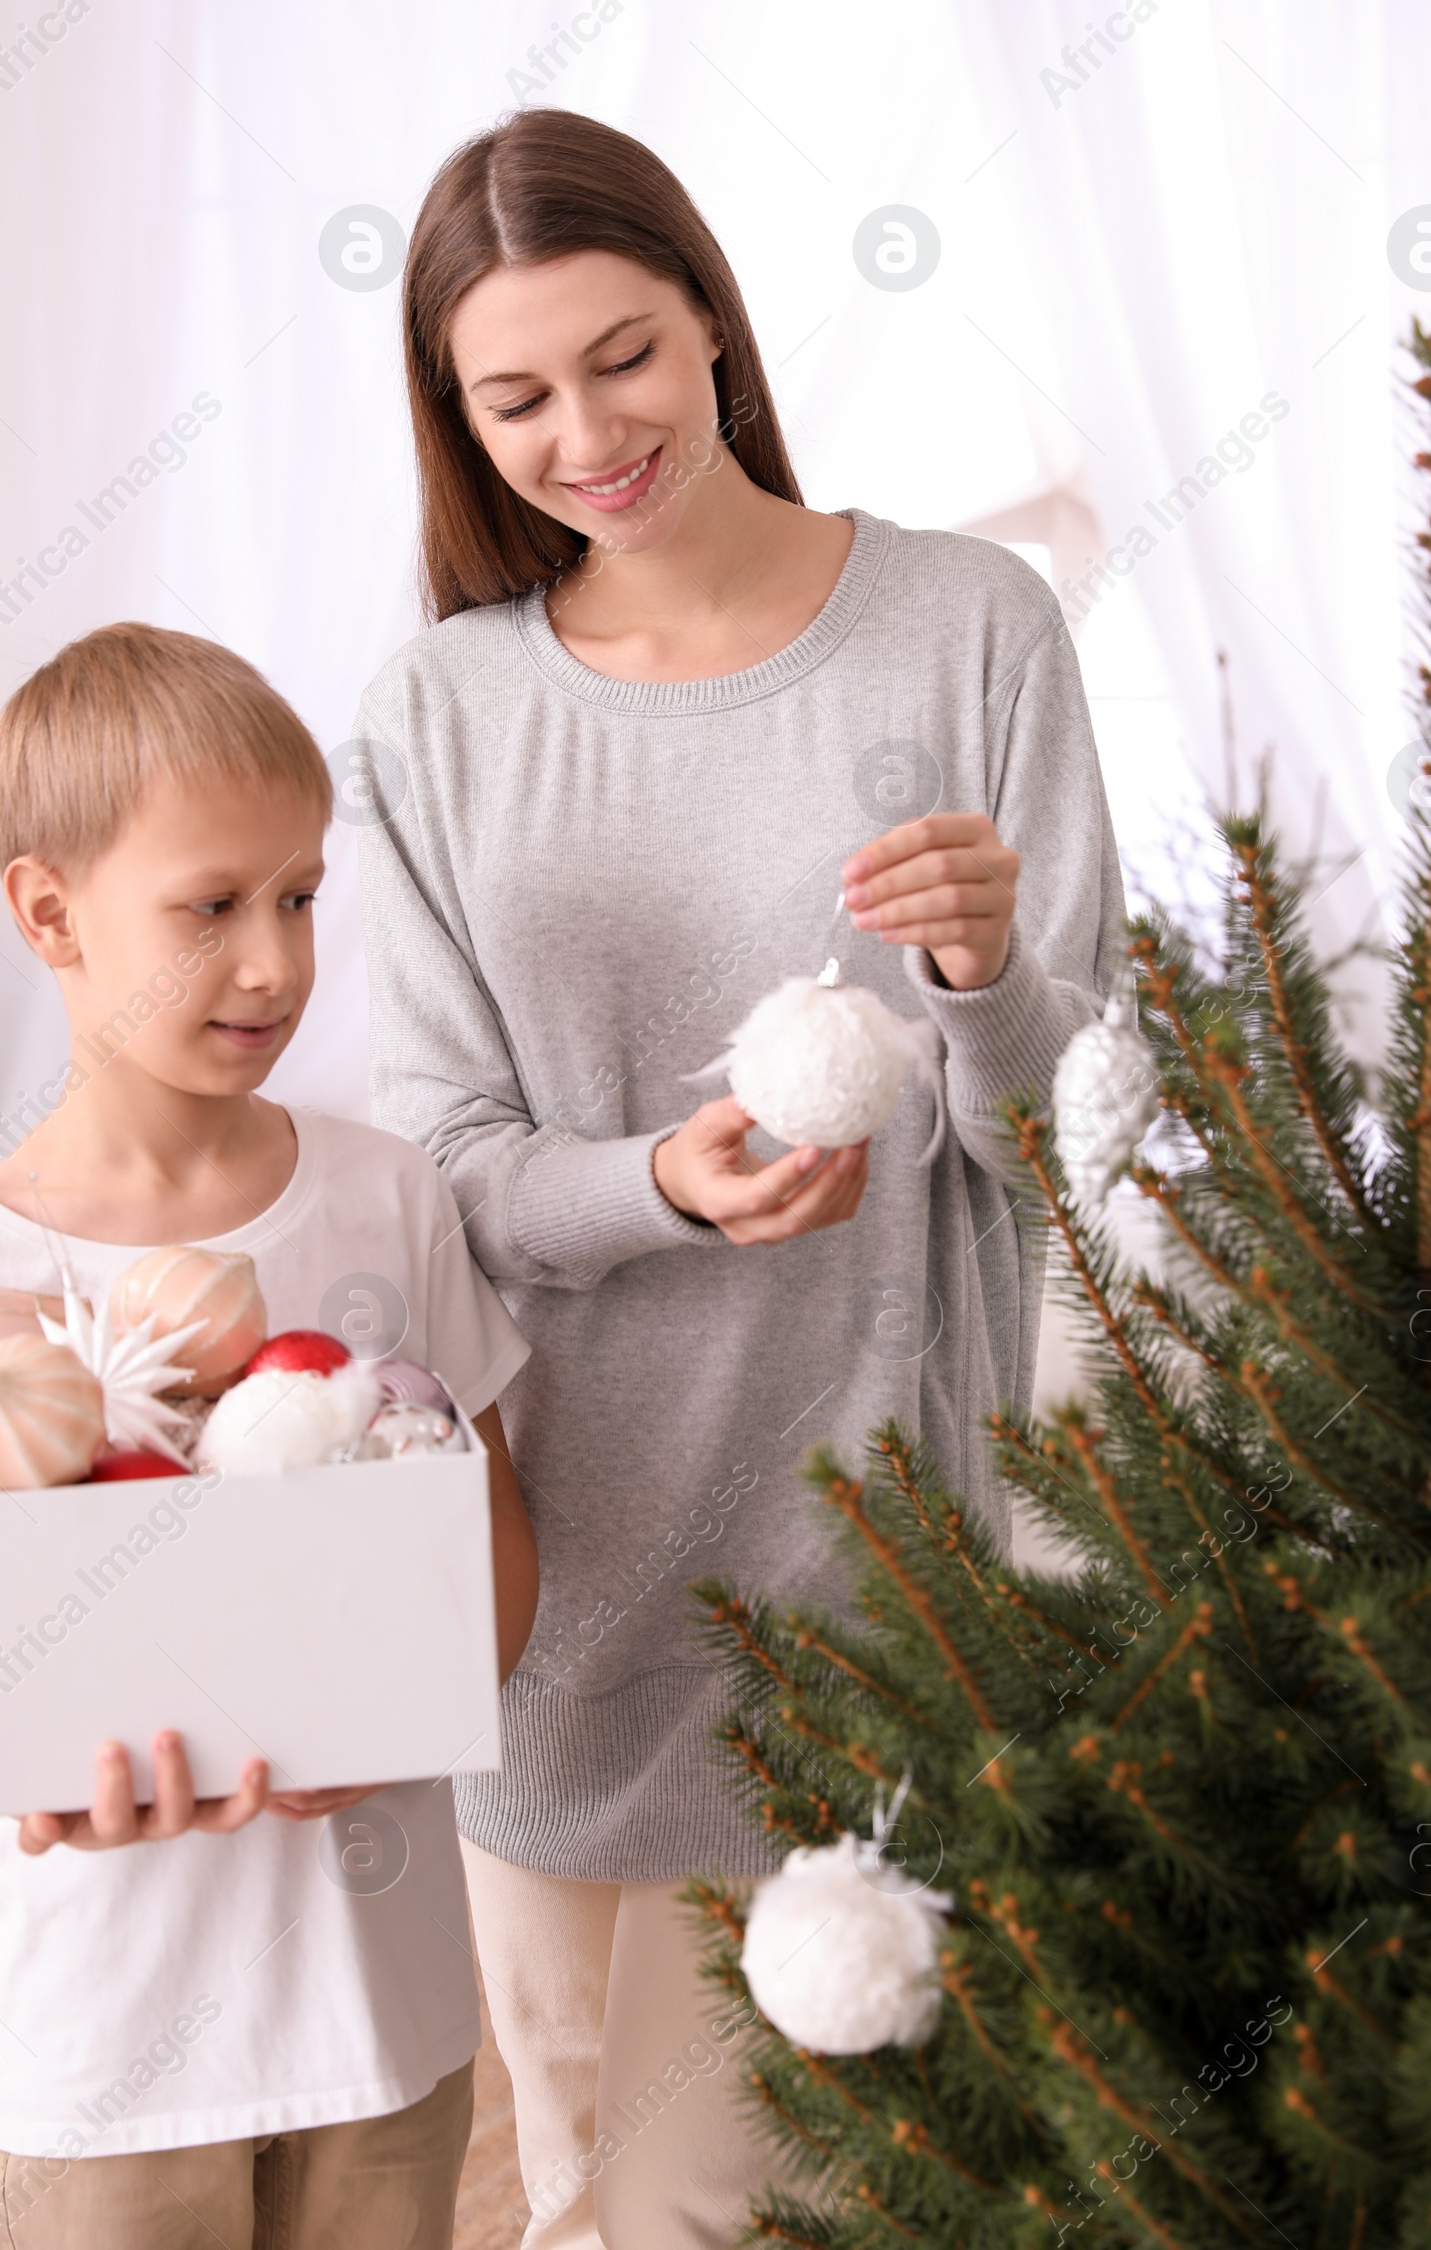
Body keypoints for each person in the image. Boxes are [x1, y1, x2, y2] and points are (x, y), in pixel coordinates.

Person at [355, 108, 1125, 2249]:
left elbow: (1064, 1144)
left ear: (709, 316)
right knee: (579, 2189)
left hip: (873, 1596)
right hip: (556, 1610)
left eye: (622, 356)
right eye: (512, 397)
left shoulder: (966, 631)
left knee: (765, 2209)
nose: (585, 430)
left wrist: (977, 981)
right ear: (454, 418)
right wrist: (659, 1191)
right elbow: (447, 1175)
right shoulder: (436, 713)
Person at [0, 624, 539, 2250]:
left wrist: (402, 1714)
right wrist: (49, 1775)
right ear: (46, 913)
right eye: (210, 906)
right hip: (106, 2057)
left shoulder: (386, 1194)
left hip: (380, 2019)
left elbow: (494, 1540)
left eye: (299, 896)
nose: (275, 965)